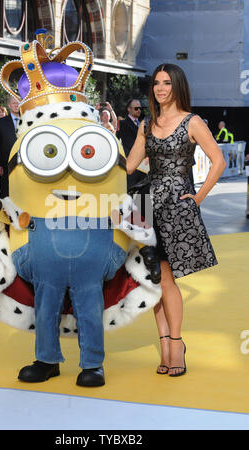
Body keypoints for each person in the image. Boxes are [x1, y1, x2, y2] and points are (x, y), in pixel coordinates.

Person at [126, 63, 226, 377]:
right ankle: (166, 342)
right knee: (155, 278)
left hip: (176, 207)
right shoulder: (147, 123)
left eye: (167, 83)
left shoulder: (191, 122)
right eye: (156, 83)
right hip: (145, 205)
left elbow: (218, 161)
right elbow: (129, 167)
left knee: (167, 279)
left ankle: (175, 343)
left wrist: (197, 198)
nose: (160, 88)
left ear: (177, 86)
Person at [116, 98, 147, 189]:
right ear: (129, 109)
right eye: (136, 108)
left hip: (144, 167)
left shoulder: (142, 124)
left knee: (144, 197)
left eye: (140, 108)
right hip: (131, 165)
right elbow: (127, 143)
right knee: (130, 193)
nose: (139, 110)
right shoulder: (122, 124)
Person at [0, 96, 19, 198]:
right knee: (5, 193)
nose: (16, 105)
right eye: (14, 103)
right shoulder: (1, 122)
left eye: (18, 103)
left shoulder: (28, 120)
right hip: (5, 164)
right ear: (9, 106)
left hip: (24, 164)